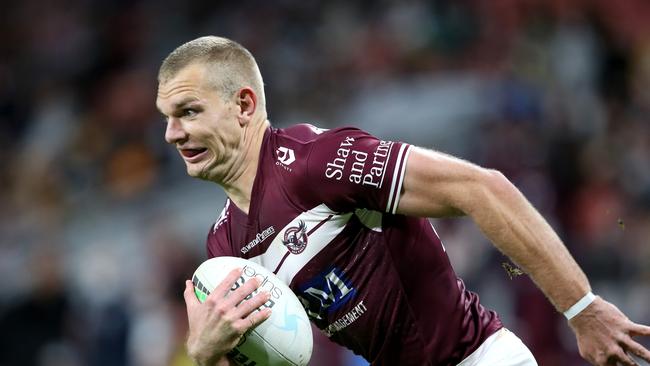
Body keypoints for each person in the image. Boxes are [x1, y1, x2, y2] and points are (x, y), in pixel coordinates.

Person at [155, 36, 650, 366]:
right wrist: (204, 353)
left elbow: (482, 188)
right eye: (167, 117)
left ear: (243, 105)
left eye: (188, 112)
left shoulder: (316, 162)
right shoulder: (223, 245)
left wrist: (583, 309)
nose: (172, 133)